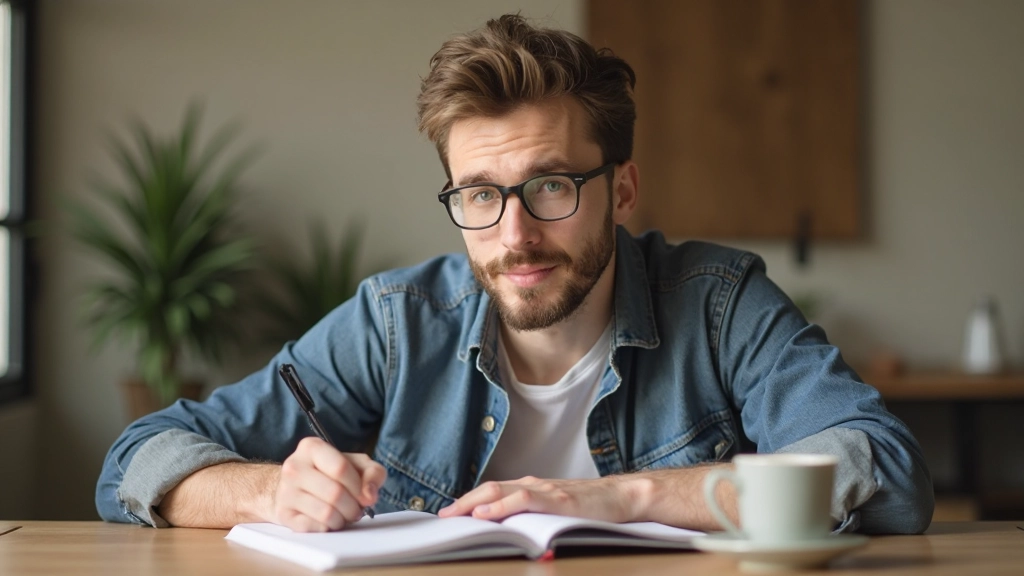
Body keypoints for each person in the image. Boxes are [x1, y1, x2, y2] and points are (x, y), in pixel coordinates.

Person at [96, 14, 933, 534]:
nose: (515, 233)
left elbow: (884, 473)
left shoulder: (718, 304)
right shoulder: (396, 322)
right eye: (480, 195)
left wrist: (627, 498)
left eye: (552, 187)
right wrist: (267, 492)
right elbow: (137, 459)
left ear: (623, 189)